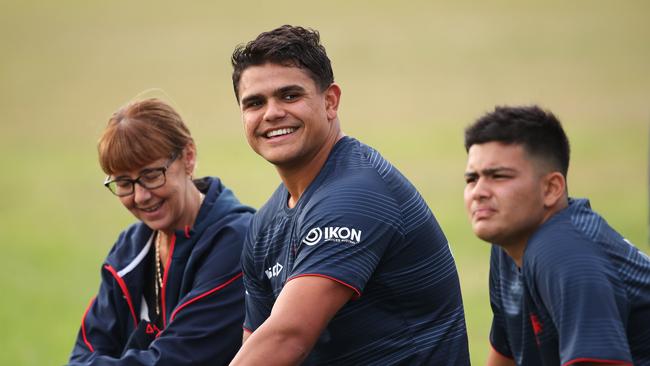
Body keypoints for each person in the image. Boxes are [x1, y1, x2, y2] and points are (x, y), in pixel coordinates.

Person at [228, 25, 470, 365]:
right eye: (254, 103)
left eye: (289, 96)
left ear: (330, 101)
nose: (271, 113)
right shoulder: (265, 224)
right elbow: (260, 344)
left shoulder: (357, 196)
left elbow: (288, 335)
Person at [68, 98, 255, 365]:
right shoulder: (130, 248)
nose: (141, 196)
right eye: (124, 183)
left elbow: (177, 359)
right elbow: (82, 354)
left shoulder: (237, 241)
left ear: (188, 157)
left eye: (152, 175)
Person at [463, 105, 650, 366]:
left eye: (498, 176)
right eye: (471, 179)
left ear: (551, 188)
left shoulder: (565, 253)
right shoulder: (509, 248)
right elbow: (505, 356)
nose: (479, 192)